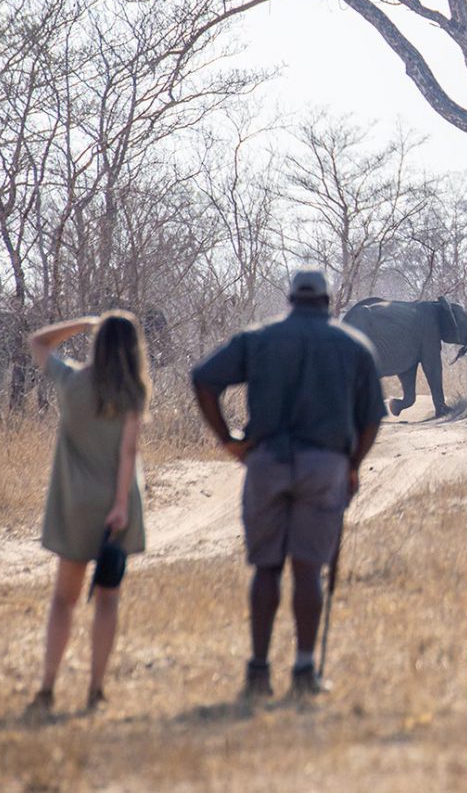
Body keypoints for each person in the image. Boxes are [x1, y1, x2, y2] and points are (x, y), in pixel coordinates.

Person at [191, 268, 384, 700]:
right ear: (328, 301)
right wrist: (351, 464)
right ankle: (303, 670)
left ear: (291, 299)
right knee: (308, 569)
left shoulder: (258, 339)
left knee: (267, 567)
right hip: (325, 465)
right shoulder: (353, 346)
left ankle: (258, 673)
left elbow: (203, 379)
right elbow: (372, 419)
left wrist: (229, 441)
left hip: (268, 462)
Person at [24, 311, 149, 716]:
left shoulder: (72, 380)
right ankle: (95, 689)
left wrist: (81, 323)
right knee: (108, 600)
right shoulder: (133, 393)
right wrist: (119, 505)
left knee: (64, 600)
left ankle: (47, 687)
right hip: (115, 508)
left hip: (74, 504)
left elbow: (38, 342)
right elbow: (128, 452)